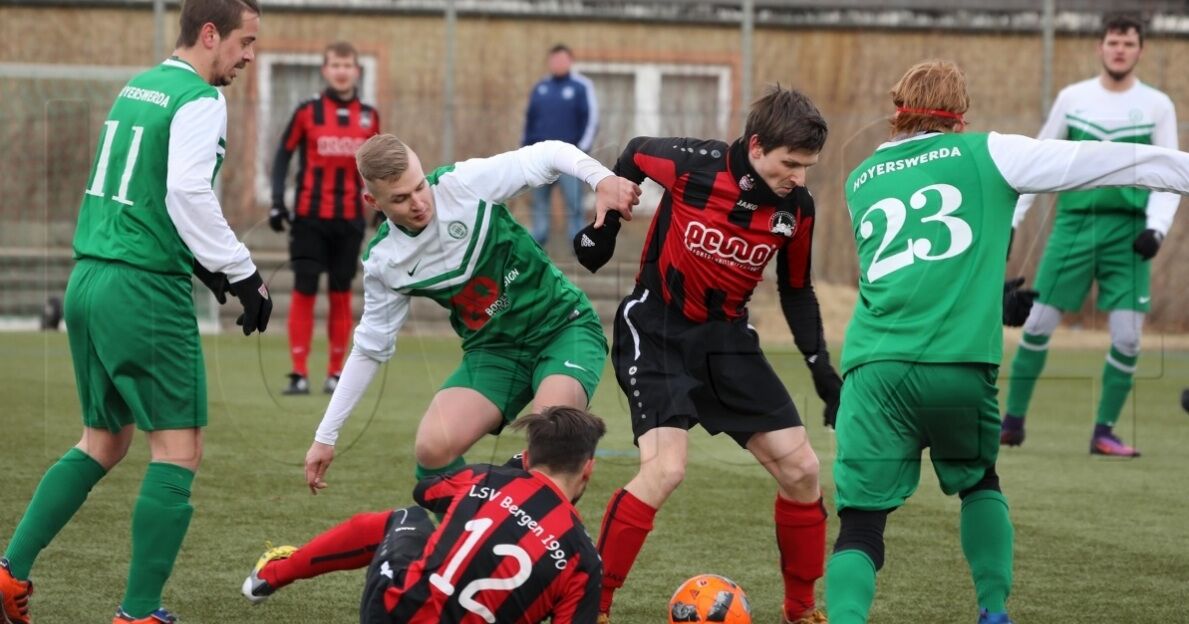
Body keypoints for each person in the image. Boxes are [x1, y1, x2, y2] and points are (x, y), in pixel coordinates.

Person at [825, 59, 1189, 624]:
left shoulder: (860, 177)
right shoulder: (990, 152)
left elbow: (913, 268)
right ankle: (993, 611)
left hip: (872, 366)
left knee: (861, 521)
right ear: (960, 115)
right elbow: (1110, 162)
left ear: (897, 110)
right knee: (978, 483)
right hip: (958, 365)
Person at [0, 1, 271, 622]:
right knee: (178, 449)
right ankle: (139, 612)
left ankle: (8, 574)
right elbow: (185, 190)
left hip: (90, 279)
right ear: (211, 35)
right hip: (142, 292)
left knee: (104, 439)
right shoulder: (201, 98)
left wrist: (204, 266)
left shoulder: (141, 85)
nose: (249, 56)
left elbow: (149, 190)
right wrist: (242, 270)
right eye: (245, 42)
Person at [573, 86, 843, 624]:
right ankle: (591, 607)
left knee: (803, 469)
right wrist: (607, 223)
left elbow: (796, 290)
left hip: (727, 341)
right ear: (758, 146)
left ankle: (801, 611)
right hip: (657, 330)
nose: (799, 177)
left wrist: (821, 371)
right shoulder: (692, 164)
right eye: (790, 164)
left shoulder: (797, 208)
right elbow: (631, 155)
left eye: (808, 166)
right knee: (665, 470)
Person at [301, 134, 640, 497]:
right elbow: (371, 348)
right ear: (373, 201)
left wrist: (601, 179)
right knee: (432, 451)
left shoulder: (462, 184)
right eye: (400, 198)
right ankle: (480, 532)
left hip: (563, 325)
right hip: (494, 351)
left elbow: (549, 153)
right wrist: (325, 437)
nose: (418, 203)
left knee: (552, 440)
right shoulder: (385, 262)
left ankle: (536, 534)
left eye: (419, 186)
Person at [242, 407, 606, 623]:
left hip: (394, 613)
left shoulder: (486, 476)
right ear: (587, 468)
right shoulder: (585, 560)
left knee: (408, 518)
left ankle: (271, 575)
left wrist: (499, 484)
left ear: (527, 459)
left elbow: (425, 492)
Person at [1001, 14, 1178, 457]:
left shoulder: (1157, 105)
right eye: (1113, 42)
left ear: (1140, 50)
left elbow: (1171, 171)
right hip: (1074, 226)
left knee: (1128, 337)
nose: (1120, 49)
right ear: (1100, 47)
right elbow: (1035, 162)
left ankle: (1104, 432)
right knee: (1037, 323)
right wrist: (1010, 224)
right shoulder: (1073, 98)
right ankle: (1011, 423)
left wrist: (1156, 227)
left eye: (1129, 43)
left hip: (1129, 233)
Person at [269, 41, 381, 396]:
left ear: (357, 71)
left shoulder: (369, 116)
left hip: (349, 220)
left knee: (340, 294)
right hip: (309, 219)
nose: (342, 70)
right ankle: (298, 373)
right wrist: (276, 201)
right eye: (335, 64)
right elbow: (283, 157)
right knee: (303, 290)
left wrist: (381, 207)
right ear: (325, 70)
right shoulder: (307, 112)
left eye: (348, 64)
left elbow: (378, 167)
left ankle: (335, 373)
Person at [522, 43, 599, 247]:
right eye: (554, 60)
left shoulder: (581, 86)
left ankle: (579, 245)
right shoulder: (540, 88)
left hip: (569, 160)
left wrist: (581, 150)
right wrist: (525, 150)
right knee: (540, 204)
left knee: (574, 204)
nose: (557, 63)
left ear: (570, 61)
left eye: (562, 59)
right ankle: (538, 242)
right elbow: (529, 121)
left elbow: (591, 120)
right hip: (540, 160)